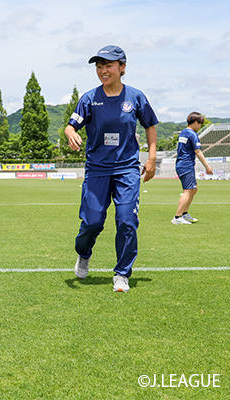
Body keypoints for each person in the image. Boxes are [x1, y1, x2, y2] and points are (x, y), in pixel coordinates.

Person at [64, 45, 159, 293]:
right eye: (99, 66)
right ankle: (84, 254)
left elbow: (150, 126)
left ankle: (122, 274)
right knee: (92, 222)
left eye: (108, 65)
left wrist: (151, 158)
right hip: (96, 169)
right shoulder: (89, 98)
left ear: (122, 67)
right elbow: (70, 126)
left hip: (127, 169)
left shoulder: (136, 97)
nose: (103, 70)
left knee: (127, 221)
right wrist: (70, 132)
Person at [172, 112, 213, 225]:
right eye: (200, 124)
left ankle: (184, 214)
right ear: (195, 122)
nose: (200, 126)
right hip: (186, 165)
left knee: (193, 189)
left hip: (181, 163)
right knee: (188, 190)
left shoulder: (183, 132)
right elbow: (198, 151)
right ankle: (177, 217)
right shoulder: (192, 134)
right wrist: (207, 167)